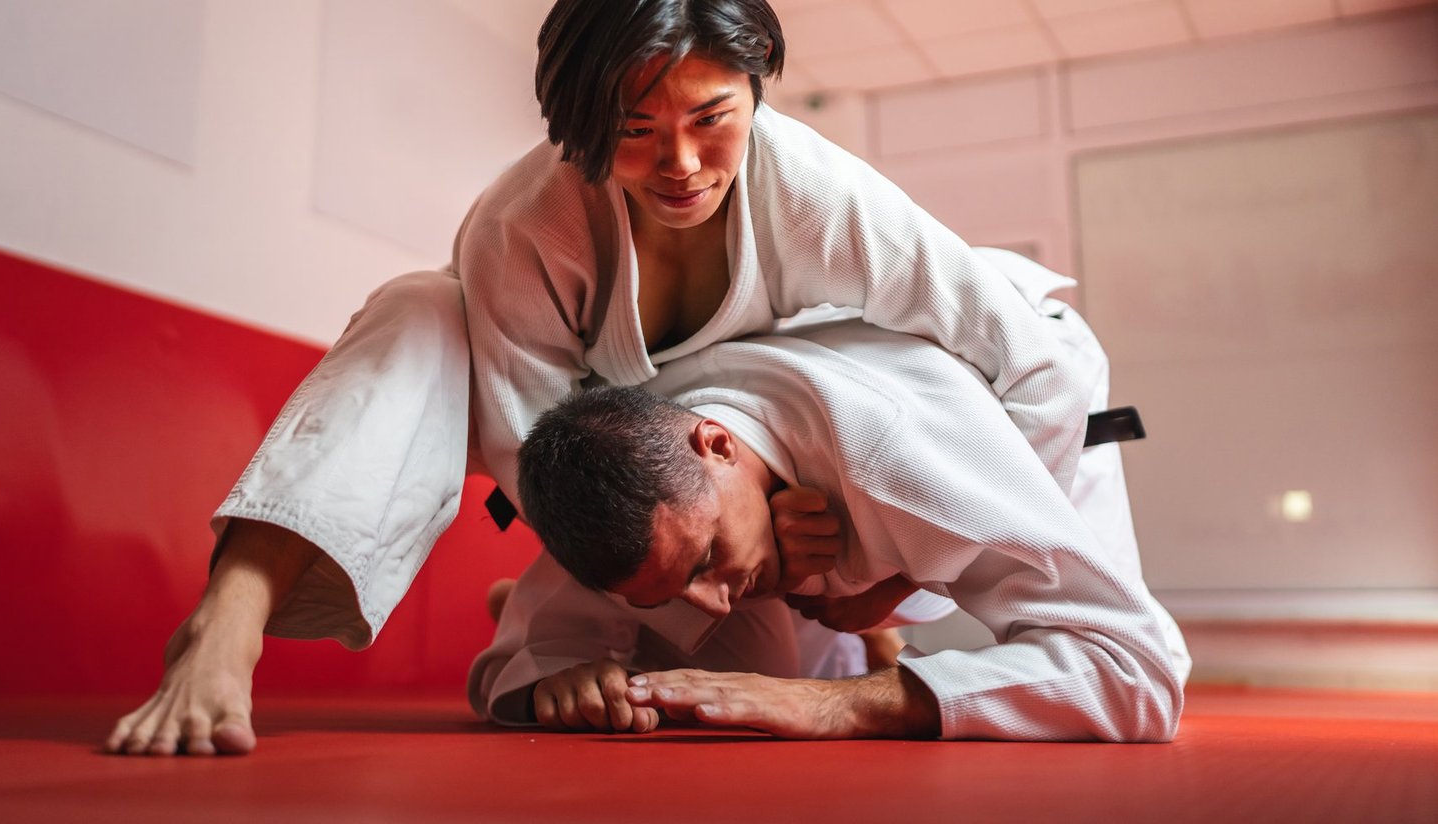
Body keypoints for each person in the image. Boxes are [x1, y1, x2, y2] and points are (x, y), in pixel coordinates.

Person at [107, 0, 1101, 755]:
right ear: (577, 124)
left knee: (748, 670)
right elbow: (543, 466)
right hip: (639, 485)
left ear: (757, 90)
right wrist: (602, 585)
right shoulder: (523, 226)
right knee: (416, 307)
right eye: (634, 128)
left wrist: (891, 580)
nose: (679, 164)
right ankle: (226, 622)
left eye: (712, 118)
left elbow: (1038, 363)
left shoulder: (815, 194)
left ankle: (596, 612)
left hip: (784, 487)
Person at [474, 252, 1186, 741]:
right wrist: (558, 682)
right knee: (738, 686)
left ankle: (872, 619)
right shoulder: (638, 474)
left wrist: (842, 700)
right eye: (664, 594)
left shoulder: (908, 466)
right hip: (820, 389)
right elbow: (506, 671)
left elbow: (1139, 678)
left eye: (708, 560)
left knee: (788, 679)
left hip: (1018, 372)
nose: (715, 601)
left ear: (720, 446)